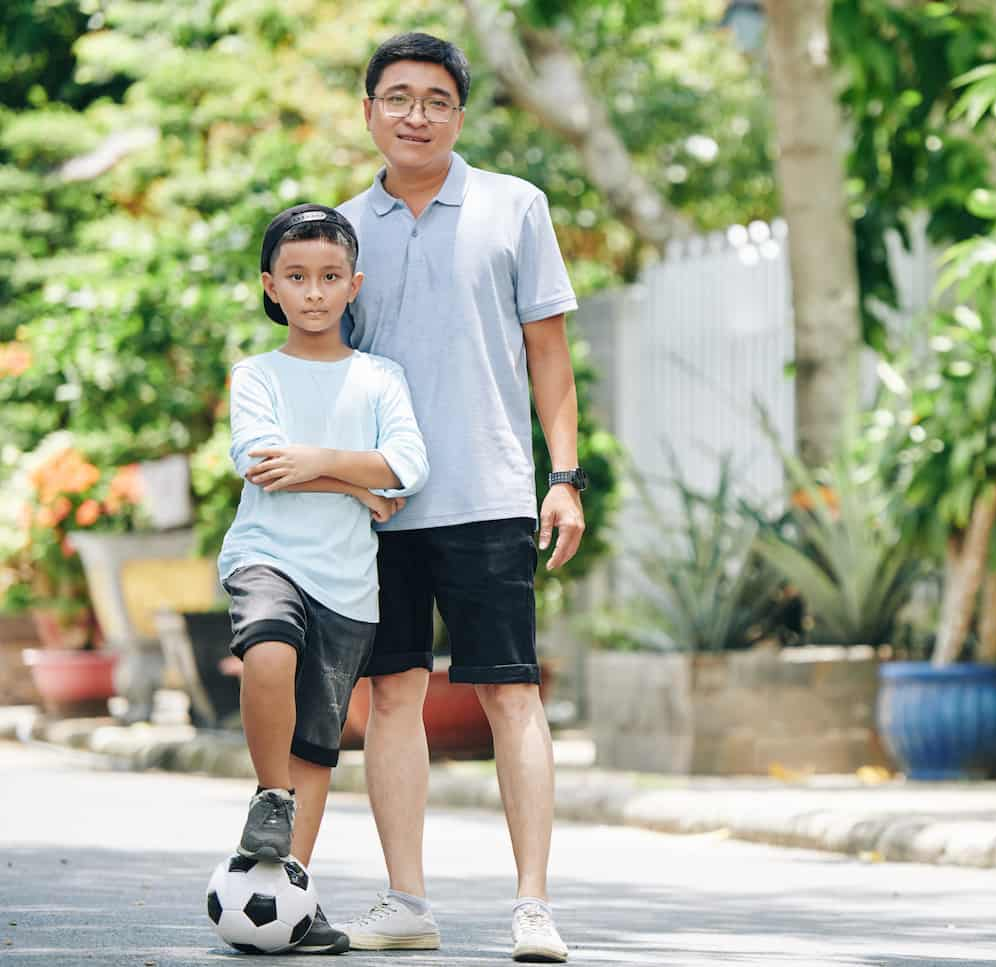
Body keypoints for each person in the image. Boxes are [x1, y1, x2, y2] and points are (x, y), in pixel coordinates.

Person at [332, 32, 585, 964]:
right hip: (382, 503)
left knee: (510, 694)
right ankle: (406, 900)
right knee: (390, 695)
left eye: (436, 99)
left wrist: (563, 478)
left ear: (461, 115)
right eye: (397, 97)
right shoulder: (342, 231)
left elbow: (548, 354)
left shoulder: (515, 206)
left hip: (489, 491)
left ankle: (532, 905)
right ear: (368, 114)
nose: (416, 115)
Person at [218, 203, 429, 955]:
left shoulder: (380, 377)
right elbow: (262, 463)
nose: (313, 292)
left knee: (317, 745)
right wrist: (352, 483)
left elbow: (410, 465)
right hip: (267, 554)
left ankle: (287, 901)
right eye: (297, 277)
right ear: (271, 286)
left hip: (348, 586)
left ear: (353, 286)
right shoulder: (257, 375)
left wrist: (320, 464)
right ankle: (269, 798)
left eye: (330, 277)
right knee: (268, 651)